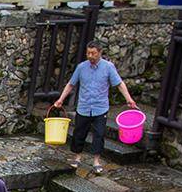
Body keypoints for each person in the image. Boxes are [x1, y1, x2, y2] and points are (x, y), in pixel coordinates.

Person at [51, 40, 139, 175]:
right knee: (79, 133)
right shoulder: (81, 67)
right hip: (84, 106)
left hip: (100, 107)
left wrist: (129, 99)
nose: (90, 56)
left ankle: (96, 161)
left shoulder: (108, 67)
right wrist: (61, 99)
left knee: (99, 134)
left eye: (93, 53)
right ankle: (77, 157)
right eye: (88, 53)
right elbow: (71, 84)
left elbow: (119, 84)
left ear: (100, 53)